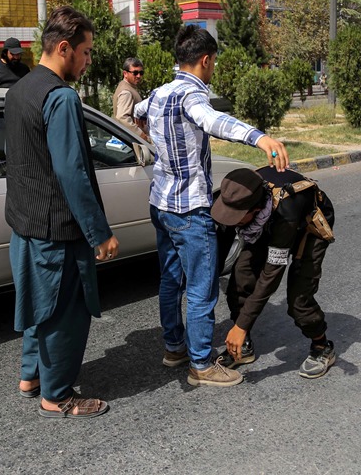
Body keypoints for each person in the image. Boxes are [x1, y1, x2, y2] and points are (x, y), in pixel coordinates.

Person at [133, 25, 288, 388]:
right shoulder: (191, 96)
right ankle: (201, 363)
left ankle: (174, 347)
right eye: (213, 62)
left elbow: (137, 112)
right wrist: (258, 137)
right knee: (202, 287)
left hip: (161, 203)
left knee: (171, 280)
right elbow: (212, 120)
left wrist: (153, 138)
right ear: (206, 60)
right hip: (189, 210)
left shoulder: (158, 93)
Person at [4, 6, 119, 419]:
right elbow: (72, 173)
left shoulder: (19, 90)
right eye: (86, 53)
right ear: (65, 48)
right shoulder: (61, 97)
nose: (88, 62)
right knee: (63, 314)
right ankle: (58, 396)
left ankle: (30, 375)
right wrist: (99, 232)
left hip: (24, 223)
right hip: (57, 229)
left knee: (38, 306)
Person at [211, 167, 337, 379]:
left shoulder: (285, 214)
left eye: (238, 217)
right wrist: (210, 279)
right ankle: (244, 347)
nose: (233, 220)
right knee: (240, 282)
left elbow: (271, 274)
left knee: (299, 300)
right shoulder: (236, 196)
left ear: (257, 208)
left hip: (308, 228)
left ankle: (322, 346)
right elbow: (223, 240)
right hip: (266, 224)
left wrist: (240, 326)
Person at [112, 57, 146, 137]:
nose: (138, 76)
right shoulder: (126, 92)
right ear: (125, 73)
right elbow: (122, 117)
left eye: (141, 73)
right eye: (135, 73)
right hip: (132, 141)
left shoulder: (128, 86)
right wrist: (141, 135)